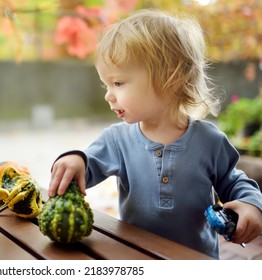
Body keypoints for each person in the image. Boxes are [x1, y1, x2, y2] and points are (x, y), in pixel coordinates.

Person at [48, 9, 262, 259]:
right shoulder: (118, 140)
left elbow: (234, 181)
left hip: (195, 260)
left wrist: (251, 205)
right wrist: (76, 159)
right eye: (106, 85)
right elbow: (88, 164)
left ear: (170, 78)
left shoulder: (209, 141)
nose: (108, 95)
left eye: (117, 83)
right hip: (135, 257)